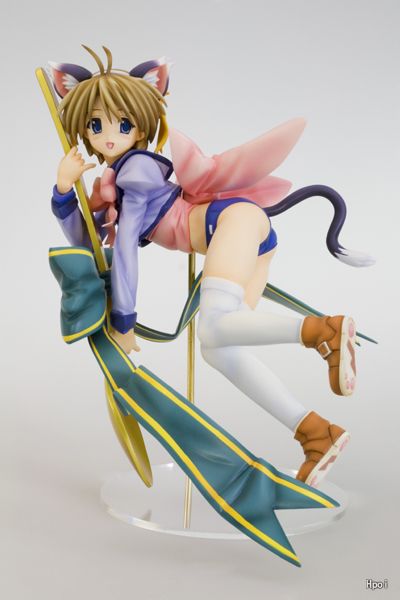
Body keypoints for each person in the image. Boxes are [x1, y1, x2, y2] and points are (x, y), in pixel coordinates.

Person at [49, 45, 373, 488]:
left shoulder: (135, 170)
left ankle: (325, 331)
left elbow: (124, 247)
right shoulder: (115, 178)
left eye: (123, 124)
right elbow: (86, 240)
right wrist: (64, 188)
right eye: (96, 125)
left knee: (215, 327)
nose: (109, 136)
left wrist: (125, 320)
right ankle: (316, 434)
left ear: (142, 125)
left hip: (232, 223)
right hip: (243, 236)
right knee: (219, 347)